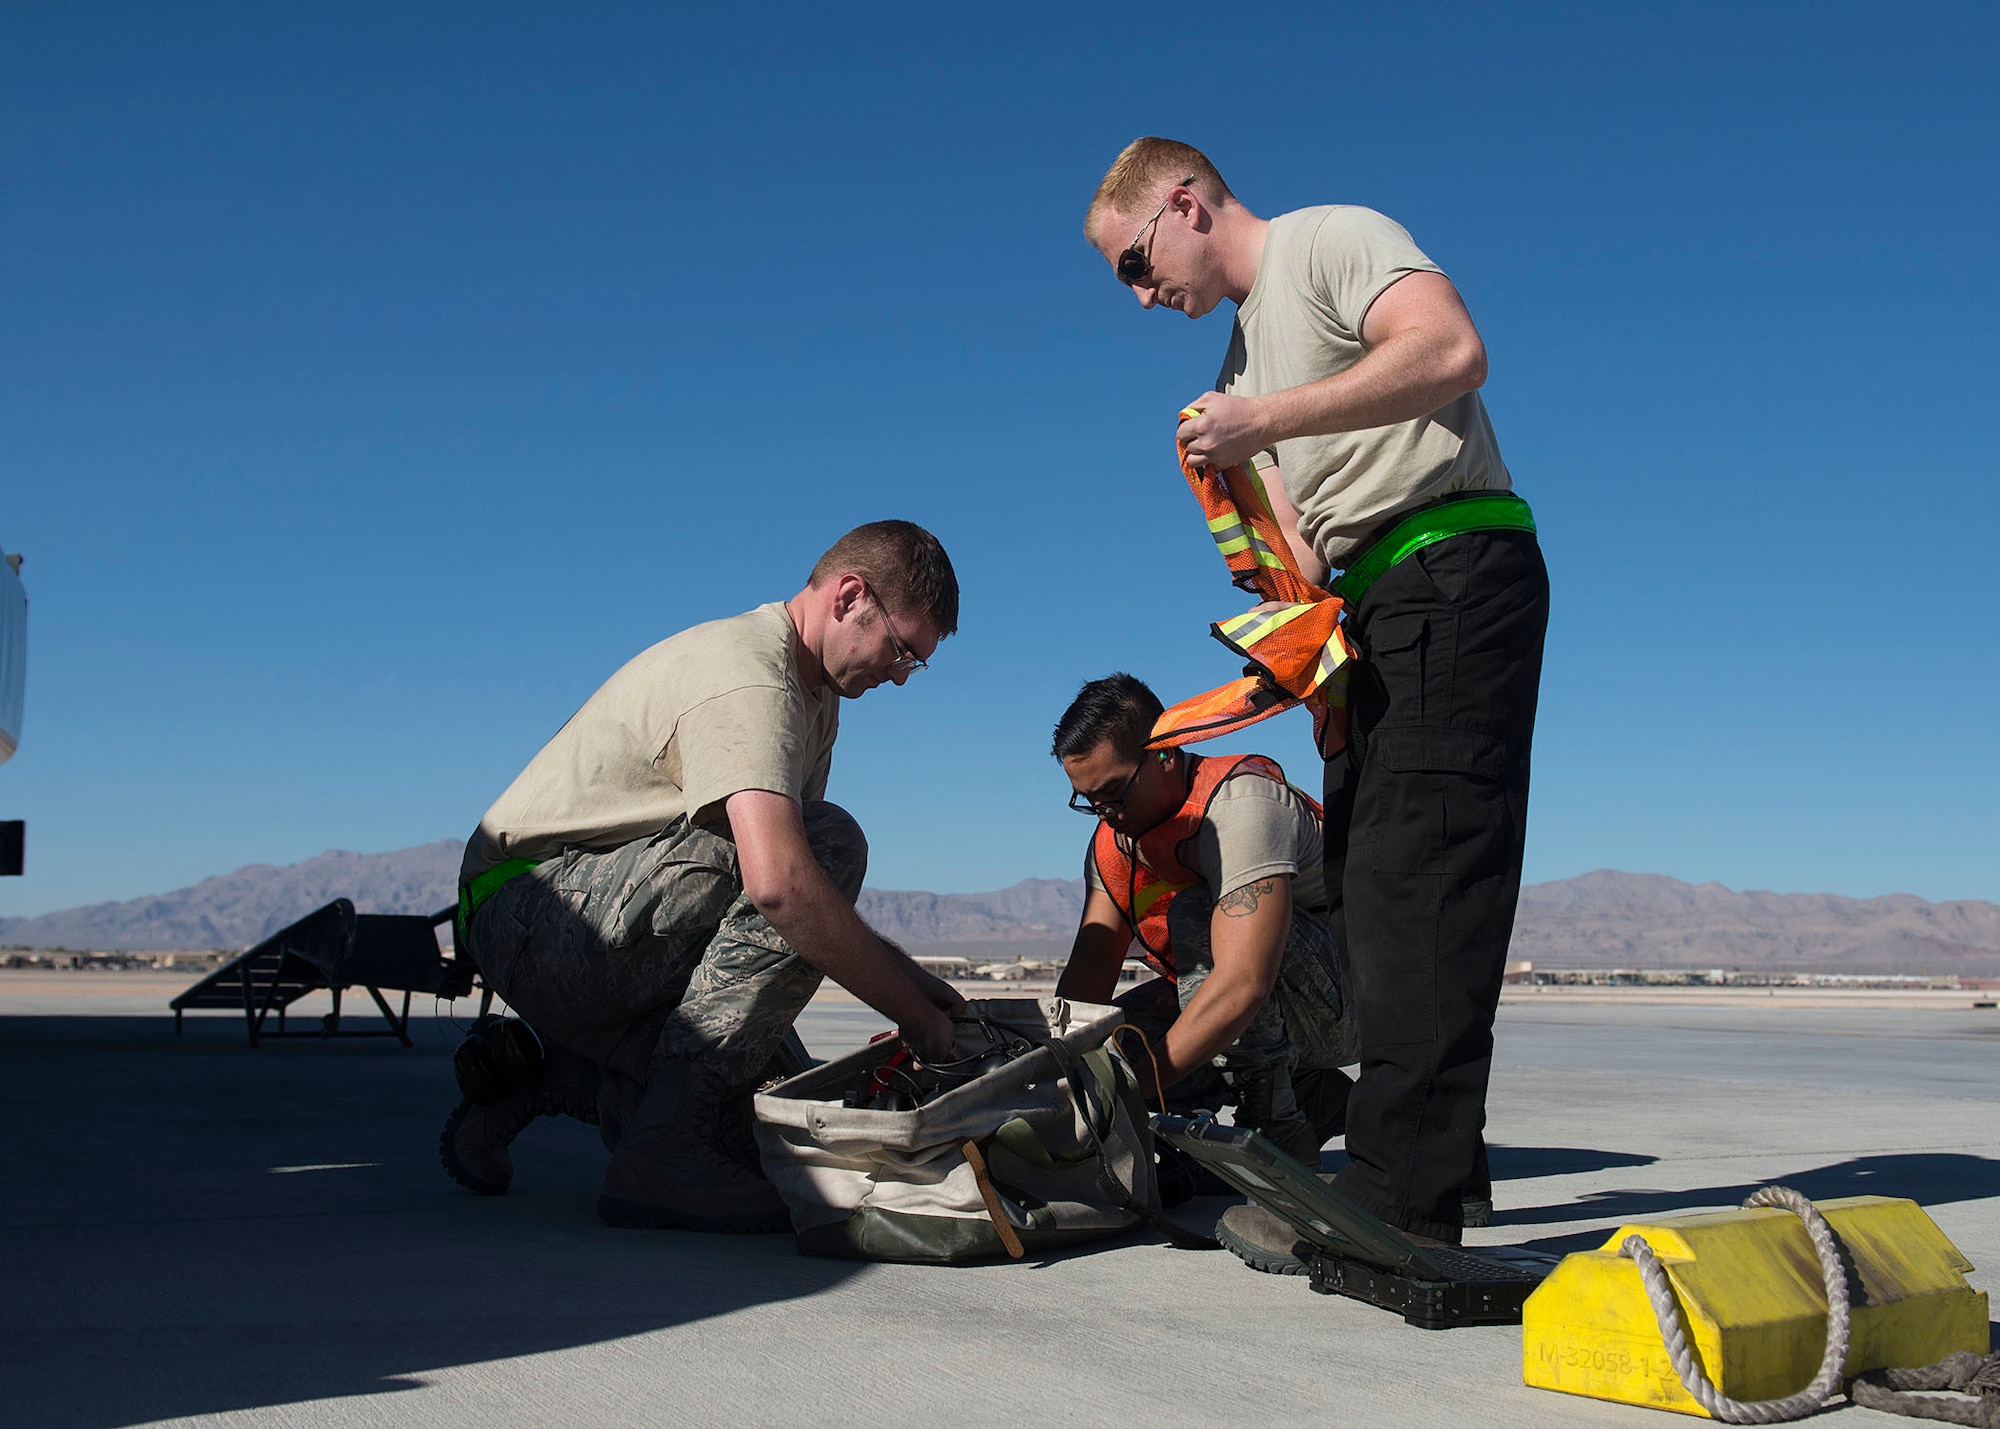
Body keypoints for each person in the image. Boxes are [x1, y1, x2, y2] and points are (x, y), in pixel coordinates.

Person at [1083, 139, 1550, 1251]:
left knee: (1422, 876)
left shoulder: (1329, 238)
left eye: (1134, 266)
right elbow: (1299, 540)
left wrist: (1266, 421)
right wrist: (1233, 492)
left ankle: (1395, 1201)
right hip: (1369, 608)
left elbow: (1450, 348)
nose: (1145, 297)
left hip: (1450, 557)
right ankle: (1447, 1165)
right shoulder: (1243, 361)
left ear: (1184, 204)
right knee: (1372, 882)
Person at [445, 520, 967, 1234]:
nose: (902, 673)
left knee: (769, 1124)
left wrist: (918, 980)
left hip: (601, 923)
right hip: (526, 905)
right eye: (902, 648)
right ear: (850, 597)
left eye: (918, 662)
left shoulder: (817, 700)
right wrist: (908, 1007)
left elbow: (766, 929)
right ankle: (664, 1157)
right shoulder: (751, 671)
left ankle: (536, 1078)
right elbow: (781, 884)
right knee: (829, 842)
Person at [1051, 674, 1354, 1175]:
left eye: (1114, 793)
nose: (1107, 814)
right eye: (1089, 801)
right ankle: (1310, 1094)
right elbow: (1086, 988)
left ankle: (1276, 1131)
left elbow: (1243, 985)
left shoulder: (1242, 804)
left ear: (1166, 752)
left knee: (1195, 915)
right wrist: (1052, 1077)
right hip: (1281, 1008)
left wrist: (1133, 1091)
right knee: (1111, 1048)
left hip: (1352, 1005)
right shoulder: (1114, 838)